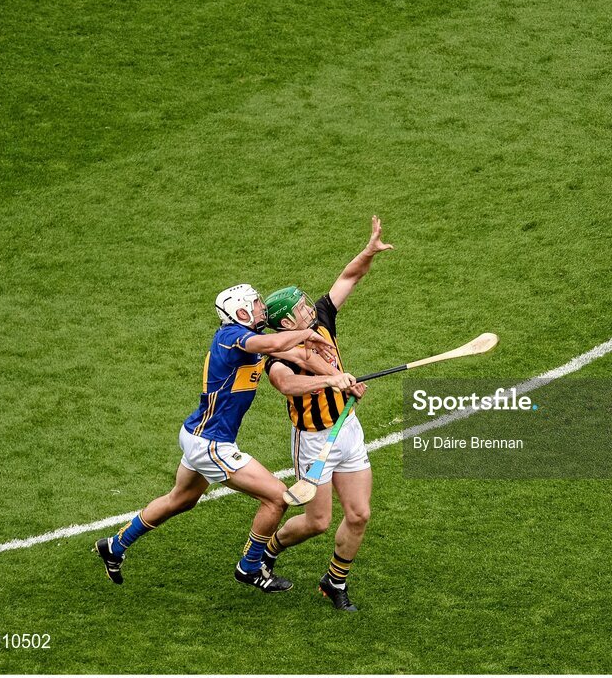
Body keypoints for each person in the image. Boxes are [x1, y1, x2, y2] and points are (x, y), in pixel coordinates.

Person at [94, 283, 359, 592]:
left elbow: (298, 355)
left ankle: (114, 545)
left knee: (180, 500)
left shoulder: (251, 342)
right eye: (256, 305)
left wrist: (337, 376)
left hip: (197, 435)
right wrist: (306, 335)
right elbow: (277, 344)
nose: (263, 309)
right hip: (212, 444)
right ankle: (249, 568)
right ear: (240, 312)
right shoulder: (233, 337)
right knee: (275, 497)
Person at [260, 215, 393, 611]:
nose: (309, 308)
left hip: (347, 429)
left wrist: (367, 252)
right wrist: (332, 381)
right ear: (286, 322)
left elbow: (348, 278)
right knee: (317, 522)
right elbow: (286, 385)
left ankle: (335, 581)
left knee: (359, 513)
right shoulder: (276, 353)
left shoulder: (322, 320)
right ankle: (266, 550)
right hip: (314, 440)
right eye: (300, 308)